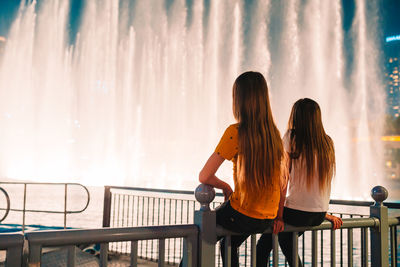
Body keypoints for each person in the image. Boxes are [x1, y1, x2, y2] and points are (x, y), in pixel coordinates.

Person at [196, 71, 286, 267]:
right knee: (229, 243)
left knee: (195, 238)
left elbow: (205, 175)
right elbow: (282, 183)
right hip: (268, 218)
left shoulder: (235, 132)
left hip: (243, 214)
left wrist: (225, 185)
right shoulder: (275, 137)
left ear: (239, 100)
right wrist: (279, 216)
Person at [256, 98, 343, 267]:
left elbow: (283, 180)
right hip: (317, 214)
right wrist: (325, 214)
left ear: (296, 116)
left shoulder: (291, 137)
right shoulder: (327, 142)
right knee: (286, 241)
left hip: (297, 212)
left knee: (263, 246)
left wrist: (279, 216)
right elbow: (319, 186)